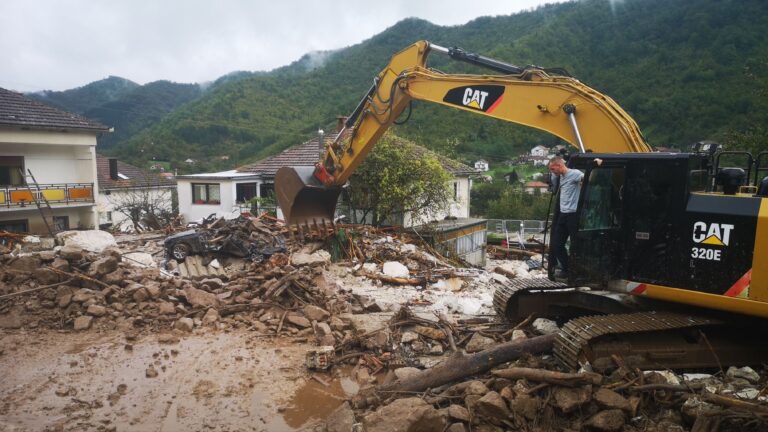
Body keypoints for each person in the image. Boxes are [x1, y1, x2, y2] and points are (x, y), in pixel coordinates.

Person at [548, 155, 601, 277]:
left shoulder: (575, 173)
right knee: (557, 244)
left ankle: (577, 269)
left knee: (575, 243)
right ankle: (567, 268)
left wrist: (594, 166)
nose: (552, 172)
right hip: (563, 214)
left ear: (559, 165)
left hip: (573, 214)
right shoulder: (559, 177)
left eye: (553, 169)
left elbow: (589, 180)